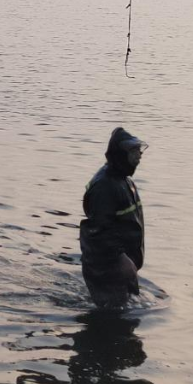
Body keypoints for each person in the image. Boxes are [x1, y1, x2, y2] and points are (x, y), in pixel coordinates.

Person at [79, 127, 147, 308]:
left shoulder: (125, 180)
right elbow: (99, 231)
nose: (139, 155)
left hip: (124, 267)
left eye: (139, 150)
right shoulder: (105, 186)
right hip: (107, 268)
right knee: (113, 319)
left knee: (125, 316)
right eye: (133, 151)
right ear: (120, 154)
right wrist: (120, 259)